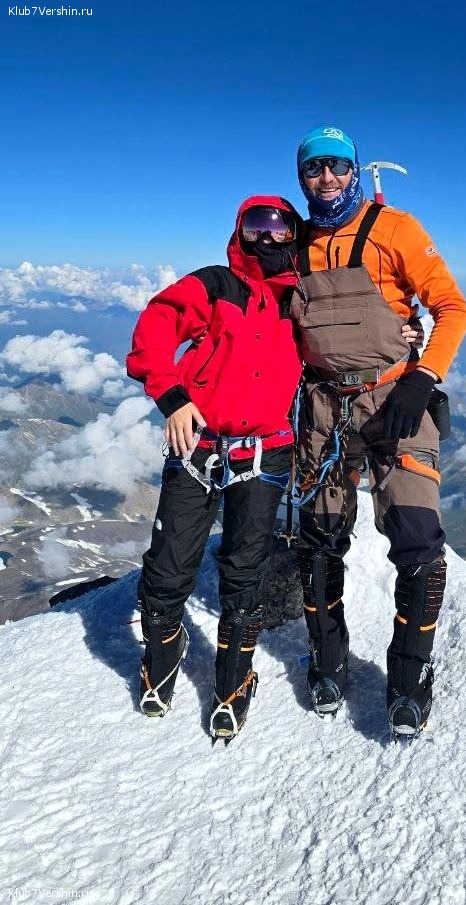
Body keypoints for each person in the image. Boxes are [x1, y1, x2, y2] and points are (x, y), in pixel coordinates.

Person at [291, 126, 466, 739]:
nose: (327, 178)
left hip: (396, 396)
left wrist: (424, 376)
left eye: (338, 166)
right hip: (324, 405)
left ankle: (409, 678)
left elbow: (452, 307)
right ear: (302, 176)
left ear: (354, 170)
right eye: (314, 167)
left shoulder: (397, 229)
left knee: (417, 540)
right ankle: (328, 660)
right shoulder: (296, 242)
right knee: (318, 540)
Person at [126, 196, 304, 743]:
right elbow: (158, 322)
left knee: (246, 570)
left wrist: (407, 335)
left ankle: (233, 677)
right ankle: (163, 655)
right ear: (239, 231)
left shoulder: (302, 299)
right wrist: (171, 395)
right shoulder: (215, 284)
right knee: (168, 564)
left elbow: (352, 335)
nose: (266, 237)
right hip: (198, 444)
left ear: (294, 236)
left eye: (279, 227)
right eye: (255, 225)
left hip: (266, 449)